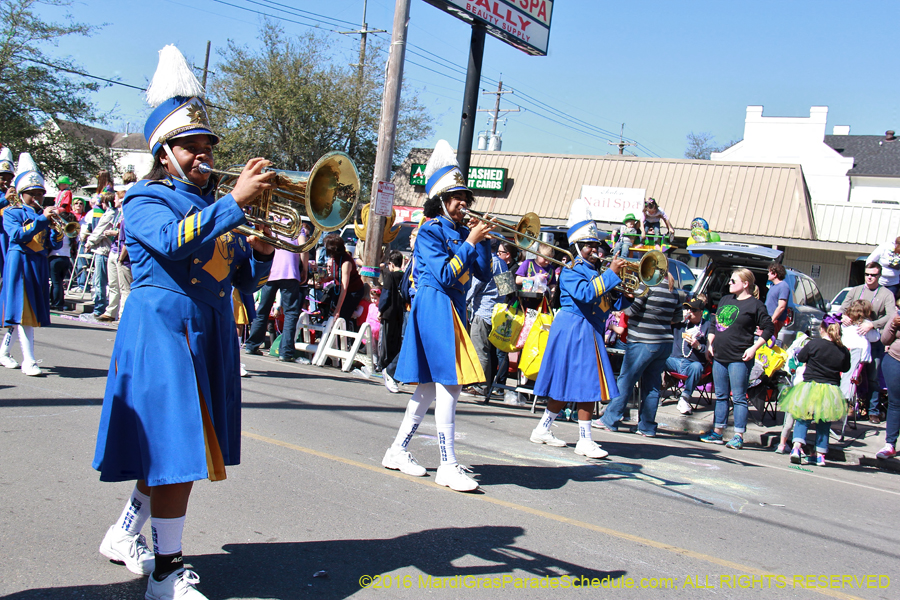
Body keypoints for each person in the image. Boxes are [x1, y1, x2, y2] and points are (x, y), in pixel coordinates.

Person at [92, 45, 275, 600]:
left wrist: (263, 251)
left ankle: (127, 533)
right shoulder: (144, 197)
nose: (203, 157)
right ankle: (166, 573)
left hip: (208, 330)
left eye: (206, 148)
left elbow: (240, 281)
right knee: (177, 454)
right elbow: (174, 245)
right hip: (163, 333)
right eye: (190, 148)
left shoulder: (214, 206)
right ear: (163, 152)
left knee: (174, 450)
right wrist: (235, 205)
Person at [380, 139, 493, 492]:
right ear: (441, 200)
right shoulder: (429, 230)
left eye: (465, 197)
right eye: (457, 197)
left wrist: (483, 241)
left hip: (453, 308)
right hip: (434, 304)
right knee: (450, 383)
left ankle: (397, 450)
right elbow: (445, 276)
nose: (464, 203)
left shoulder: (463, 233)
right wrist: (471, 241)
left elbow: (485, 275)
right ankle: (448, 464)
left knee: (428, 389)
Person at [529, 212, 624, 458]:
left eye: (596, 244)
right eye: (589, 245)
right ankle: (585, 439)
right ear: (578, 247)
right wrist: (611, 275)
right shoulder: (571, 268)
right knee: (587, 382)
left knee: (568, 382)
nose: (595, 249)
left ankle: (542, 428)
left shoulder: (597, 270)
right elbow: (585, 294)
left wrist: (622, 290)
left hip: (588, 328)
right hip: (575, 327)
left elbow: (607, 301)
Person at [597, 271, 685, 437]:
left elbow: (631, 311)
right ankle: (647, 426)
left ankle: (610, 419)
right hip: (664, 342)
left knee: (626, 380)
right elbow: (677, 318)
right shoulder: (676, 290)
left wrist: (628, 297)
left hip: (642, 341)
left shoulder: (647, 286)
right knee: (652, 385)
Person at [0, 153, 62, 376]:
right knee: (25, 312)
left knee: (19, 312)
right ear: (20, 194)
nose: (36, 198)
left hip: (38, 264)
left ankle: (4, 352)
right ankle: (29, 361)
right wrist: (43, 220)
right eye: (31, 194)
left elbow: (50, 244)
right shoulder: (12, 212)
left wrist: (58, 233)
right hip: (20, 264)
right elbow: (17, 235)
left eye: (39, 194)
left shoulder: (41, 215)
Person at [700, 268, 774, 449]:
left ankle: (738, 435)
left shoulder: (755, 305)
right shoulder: (725, 300)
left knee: (739, 397)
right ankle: (717, 432)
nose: (729, 284)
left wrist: (754, 347)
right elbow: (714, 324)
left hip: (739, 357)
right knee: (721, 395)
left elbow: (769, 328)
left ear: (745, 284)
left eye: (733, 281)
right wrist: (710, 344)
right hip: (720, 356)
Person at [779, 315, 851, 466]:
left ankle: (796, 448)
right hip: (830, 390)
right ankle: (820, 455)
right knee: (824, 422)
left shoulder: (814, 344)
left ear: (822, 329)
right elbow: (846, 368)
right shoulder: (843, 350)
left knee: (802, 418)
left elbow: (802, 356)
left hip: (810, 386)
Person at [242, 227, 309, 362]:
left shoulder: (271, 225)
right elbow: (303, 248)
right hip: (290, 272)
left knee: (263, 309)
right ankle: (286, 352)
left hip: (270, 271)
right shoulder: (296, 228)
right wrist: (305, 268)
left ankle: (252, 344)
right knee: (290, 312)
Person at [841, 262, 896, 424]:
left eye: (873, 275)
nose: (870, 277)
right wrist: (843, 316)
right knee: (849, 374)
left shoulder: (886, 294)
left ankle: (873, 410)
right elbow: (842, 308)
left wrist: (873, 324)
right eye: (867, 274)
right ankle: (850, 407)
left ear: (879, 276)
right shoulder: (856, 290)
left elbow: (891, 315)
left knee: (873, 377)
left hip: (874, 340)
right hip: (854, 341)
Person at [466, 238, 508, 398]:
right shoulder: (502, 263)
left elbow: (475, 286)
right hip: (497, 312)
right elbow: (507, 289)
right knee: (489, 352)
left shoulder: (487, 262)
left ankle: (480, 386)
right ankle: (486, 384)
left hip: (483, 311)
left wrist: (464, 301)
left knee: (480, 350)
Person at [666, 298, 711, 416]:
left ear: (701, 312)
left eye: (694, 310)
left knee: (697, 367)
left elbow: (710, 352)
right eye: (688, 309)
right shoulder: (680, 323)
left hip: (692, 363)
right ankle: (652, 394)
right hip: (674, 360)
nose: (690, 312)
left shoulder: (707, 326)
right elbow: (664, 322)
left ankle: (685, 398)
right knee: (656, 358)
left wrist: (698, 346)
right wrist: (678, 317)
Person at [97, 183, 133, 321]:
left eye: (116, 198)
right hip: (114, 250)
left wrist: (121, 257)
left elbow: (128, 238)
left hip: (122, 255)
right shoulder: (117, 214)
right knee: (113, 284)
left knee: (125, 288)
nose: (114, 200)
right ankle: (111, 311)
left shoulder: (128, 217)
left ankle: (123, 316)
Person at [321, 233, 364, 325]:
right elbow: (336, 275)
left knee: (342, 317)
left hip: (352, 291)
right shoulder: (335, 258)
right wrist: (325, 279)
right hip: (339, 289)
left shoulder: (346, 263)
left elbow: (344, 288)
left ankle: (344, 337)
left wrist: (338, 310)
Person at [378, 250, 406, 393]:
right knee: (397, 341)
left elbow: (386, 294)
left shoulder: (389, 276)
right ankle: (392, 364)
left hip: (388, 312)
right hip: (400, 312)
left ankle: (384, 365)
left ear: (390, 264)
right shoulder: (404, 276)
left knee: (386, 341)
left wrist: (380, 309)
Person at [85, 191, 115, 317]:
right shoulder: (114, 213)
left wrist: (89, 242)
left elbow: (99, 230)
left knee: (100, 281)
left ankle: (99, 308)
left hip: (103, 250)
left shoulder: (110, 214)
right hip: (105, 250)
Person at [876, 311, 900, 460]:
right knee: (895, 404)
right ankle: (890, 444)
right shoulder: (897, 314)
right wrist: (893, 325)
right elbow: (884, 340)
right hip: (895, 361)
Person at [0, 146, 16, 291]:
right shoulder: (5, 196)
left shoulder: (12, 194)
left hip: (8, 237)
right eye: (2, 177)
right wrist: (5, 200)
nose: (5, 181)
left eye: (8, 178)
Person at [764, 262, 790, 340]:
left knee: (771, 341)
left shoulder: (783, 286)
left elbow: (781, 306)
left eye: (769, 272)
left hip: (775, 320)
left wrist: (772, 320)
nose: (768, 274)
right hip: (769, 318)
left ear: (775, 274)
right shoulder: (773, 286)